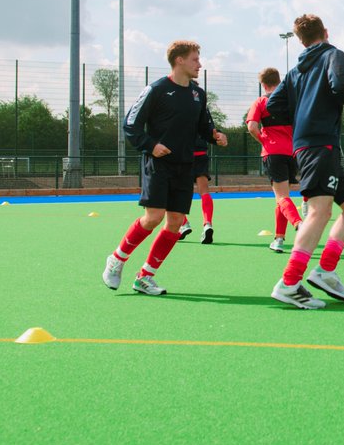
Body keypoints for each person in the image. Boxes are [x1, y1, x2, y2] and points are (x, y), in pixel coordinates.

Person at [102, 40, 228, 295]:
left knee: (175, 223)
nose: (199, 64)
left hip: (185, 165)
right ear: (179, 60)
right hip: (158, 164)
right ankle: (117, 259)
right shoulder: (157, 89)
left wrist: (216, 135)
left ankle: (145, 276)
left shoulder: (197, 94)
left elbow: (203, 126)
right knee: (154, 217)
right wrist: (151, 145)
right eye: (194, 59)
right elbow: (131, 124)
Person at [265, 14, 344, 309]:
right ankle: (289, 282)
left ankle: (325, 270)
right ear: (326, 32)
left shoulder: (295, 71)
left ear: (300, 40)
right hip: (319, 144)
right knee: (319, 212)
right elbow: (340, 84)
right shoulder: (334, 54)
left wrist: (299, 117)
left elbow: (273, 105)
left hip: (313, 145)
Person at [246, 67, 303, 253]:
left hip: (273, 152)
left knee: (281, 197)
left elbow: (252, 127)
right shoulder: (290, 101)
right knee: (282, 198)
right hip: (293, 152)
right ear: (279, 81)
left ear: (262, 84)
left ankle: (299, 223)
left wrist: (264, 140)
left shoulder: (261, 102)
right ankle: (279, 239)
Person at [177, 136, 215, 244]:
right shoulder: (201, 117)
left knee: (176, 192)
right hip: (200, 155)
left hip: (183, 156)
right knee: (204, 192)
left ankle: (183, 224)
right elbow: (211, 130)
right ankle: (208, 224)